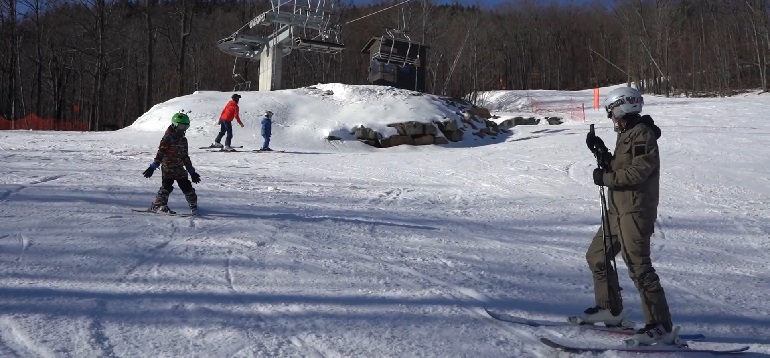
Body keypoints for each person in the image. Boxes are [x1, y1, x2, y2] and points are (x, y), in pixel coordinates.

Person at [581, 86, 675, 346]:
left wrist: (606, 178)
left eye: (611, 112)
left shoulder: (643, 134)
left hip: (635, 209)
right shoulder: (627, 133)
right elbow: (623, 166)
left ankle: (660, 326)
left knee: (639, 266)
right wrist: (602, 154)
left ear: (622, 107)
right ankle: (609, 309)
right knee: (597, 256)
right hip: (618, 209)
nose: (611, 117)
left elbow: (637, 173)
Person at [142, 112, 201, 215]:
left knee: (186, 186)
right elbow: (161, 152)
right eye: (181, 126)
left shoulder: (183, 140)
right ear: (174, 124)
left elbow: (185, 156)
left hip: (178, 167)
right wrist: (153, 166)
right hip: (168, 166)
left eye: (185, 127)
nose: (183, 129)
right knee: (166, 186)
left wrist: (192, 171)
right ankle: (159, 205)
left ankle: (193, 205)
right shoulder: (167, 138)